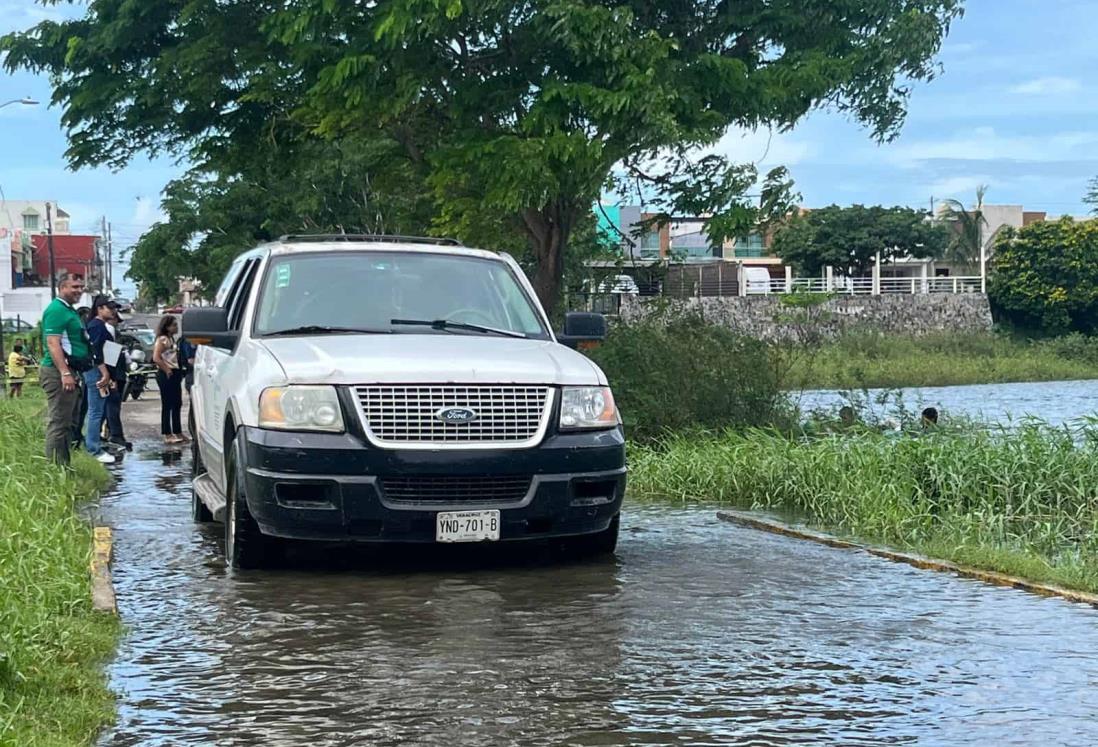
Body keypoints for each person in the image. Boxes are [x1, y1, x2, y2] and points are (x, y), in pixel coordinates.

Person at [40, 274, 93, 465]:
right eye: (74, 287)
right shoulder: (56, 310)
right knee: (59, 423)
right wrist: (65, 373)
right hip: (58, 373)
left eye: (81, 287)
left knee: (70, 423)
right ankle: (55, 469)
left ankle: (64, 465)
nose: (79, 290)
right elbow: (53, 343)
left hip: (72, 371)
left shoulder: (69, 310)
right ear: (62, 288)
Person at [84, 297, 120, 463]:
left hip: (103, 370)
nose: (112, 311)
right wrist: (105, 373)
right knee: (96, 411)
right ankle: (93, 449)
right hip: (97, 371)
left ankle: (95, 443)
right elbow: (95, 352)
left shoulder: (100, 326)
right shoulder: (96, 327)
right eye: (109, 308)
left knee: (98, 409)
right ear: (99, 308)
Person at [153, 315, 186, 445]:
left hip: (175, 372)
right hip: (166, 373)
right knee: (167, 404)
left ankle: (178, 431)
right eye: (174, 325)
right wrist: (166, 369)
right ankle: (167, 433)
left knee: (177, 402)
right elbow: (156, 357)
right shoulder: (162, 340)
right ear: (167, 327)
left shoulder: (171, 339)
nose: (176, 328)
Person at [103, 304, 132, 450]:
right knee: (112, 405)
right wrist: (112, 377)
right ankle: (115, 434)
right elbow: (109, 357)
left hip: (115, 373)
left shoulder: (112, 332)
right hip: (113, 374)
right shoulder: (108, 330)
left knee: (109, 406)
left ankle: (110, 433)